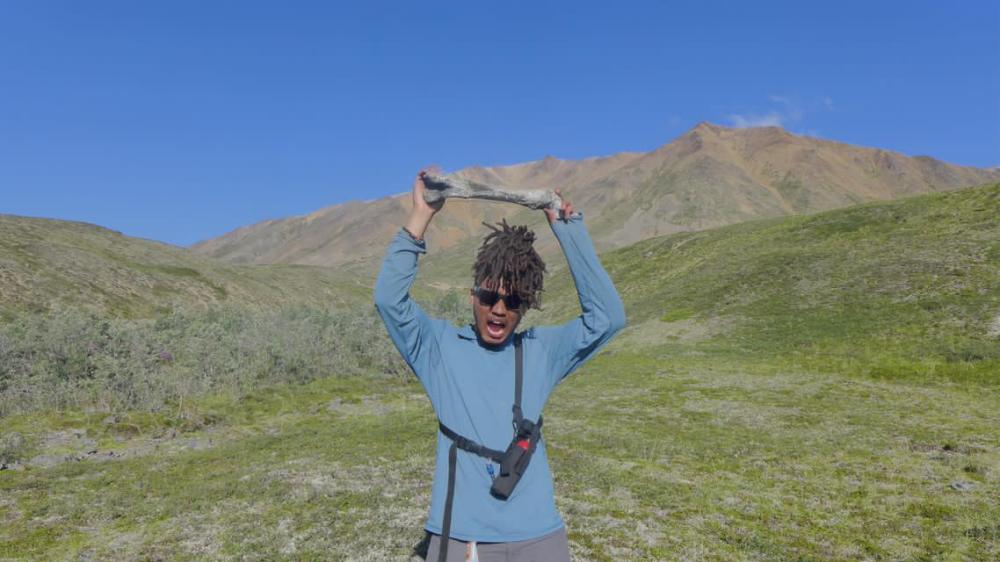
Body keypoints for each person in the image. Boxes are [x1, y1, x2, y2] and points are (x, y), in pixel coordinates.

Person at [374, 171, 626, 562]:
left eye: (513, 301)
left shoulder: (541, 351)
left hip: (538, 535)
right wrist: (421, 215)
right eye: (489, 296)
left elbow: (607, 318)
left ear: (526, 305)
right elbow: (390, 300)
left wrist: (569, 235)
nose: (499, 309)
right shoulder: (437, 348)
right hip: (461, 536)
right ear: (473, 295)